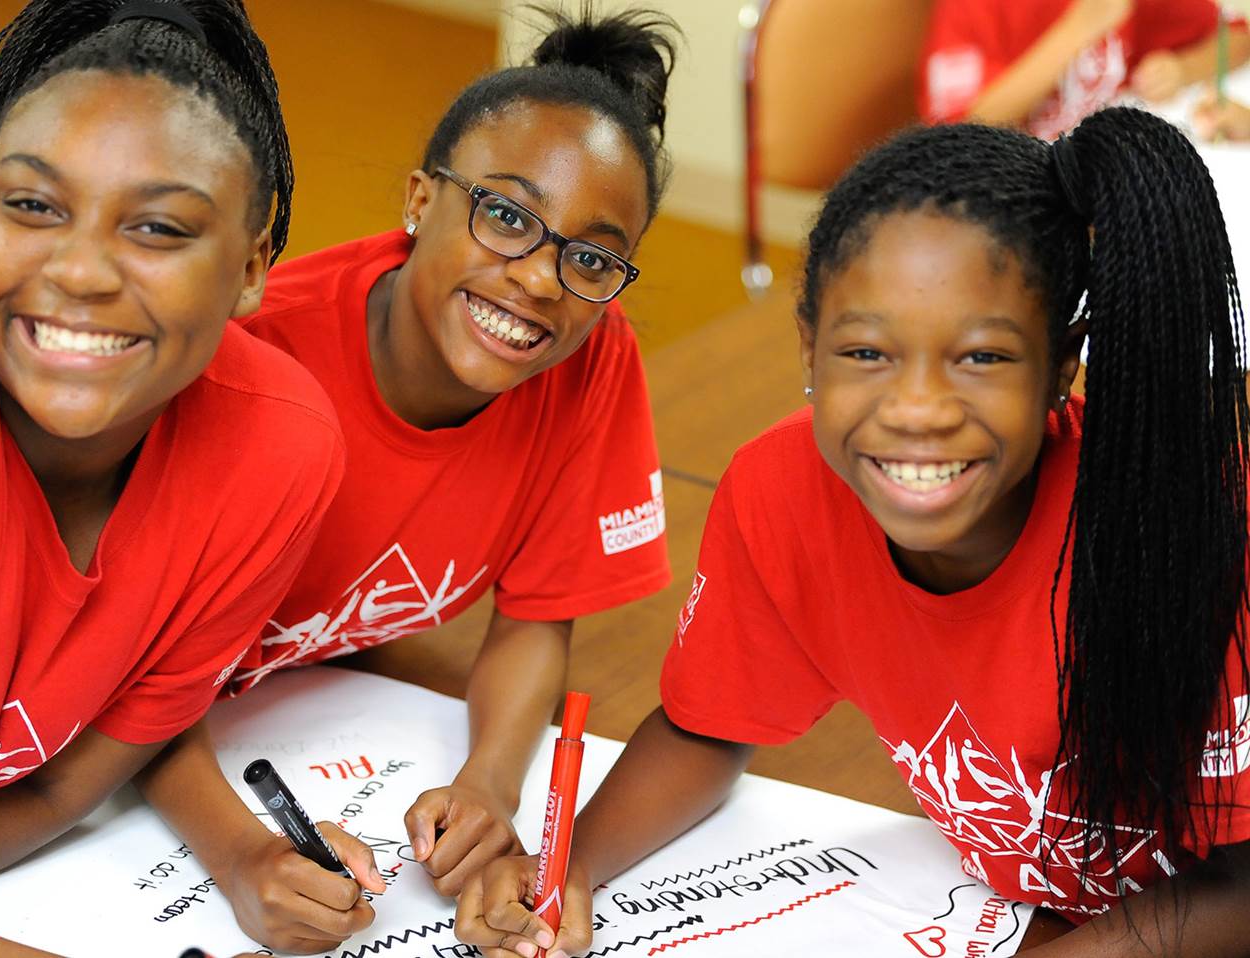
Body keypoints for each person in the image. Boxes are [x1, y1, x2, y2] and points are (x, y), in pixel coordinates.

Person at [456, 105, 1250, 958]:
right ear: (809, 349)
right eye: (867, 353)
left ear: (1063, 363)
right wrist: (570, 865)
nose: (916, 411)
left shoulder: (1195, 525)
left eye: (981, 358)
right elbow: (711, 726)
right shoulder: (782, 496)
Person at [133, 7, 677, 953]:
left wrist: (489, 787)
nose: (542, 280)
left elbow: (538, 620)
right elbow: (118, 673)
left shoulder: (591, 357)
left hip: (322, 706)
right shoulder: (249, 364)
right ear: (422, 199)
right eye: (506, 215)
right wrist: (237, 855)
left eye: (590, 255)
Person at [0, 1, 344, 954]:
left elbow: (61, 787)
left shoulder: (282, 449)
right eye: (33, 206)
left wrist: (240, 852)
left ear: (255, 267)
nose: (83, 271)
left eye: (158, 229)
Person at [920, 0, 1249, 138]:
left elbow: (1238, 36)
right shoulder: (974, 8)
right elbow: (958, 133)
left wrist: (1182, 70)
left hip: (1120, 175)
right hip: (1028, 207)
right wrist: (1080, 29)